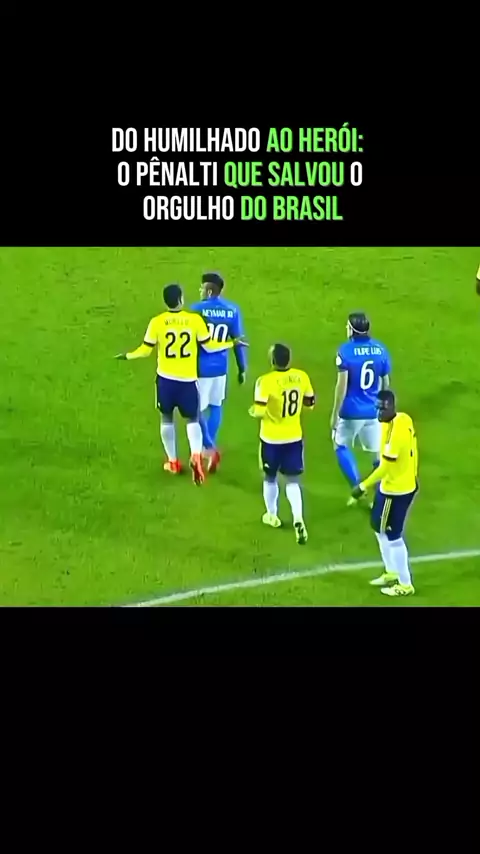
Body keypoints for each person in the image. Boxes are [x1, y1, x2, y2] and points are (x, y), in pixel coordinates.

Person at [115, 283, 247, 485]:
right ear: (181, 299)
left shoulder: (157, 322)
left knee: (166, 419)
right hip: (188, 381)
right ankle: (196, 455)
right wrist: (232, 343)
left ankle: (173, 462)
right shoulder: (194, 320)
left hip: (166, 380)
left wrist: (127, 355)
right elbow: (210, 347)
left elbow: (145, 350)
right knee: (193, 419)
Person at [349, 389, 418, 597]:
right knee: (378, 528)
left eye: (383, 409)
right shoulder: (403, 419)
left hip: (396, 490)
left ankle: (405, 584)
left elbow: (385, 468)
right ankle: (391, 571)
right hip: (399, 484)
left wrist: (362, 487)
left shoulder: (395, 435)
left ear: (392, 407)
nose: (379, 413)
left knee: (393, 536)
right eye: (377, 408)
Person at [249, 344, 315, 545]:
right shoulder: (301, 377)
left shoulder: (265, 381)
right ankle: (298, 517)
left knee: (270, 477)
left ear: (272, 360)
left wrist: (253, 411)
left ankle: (272, 515)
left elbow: (260, 411)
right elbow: (310, 403)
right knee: (293, 480)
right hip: (294, 436)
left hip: (271, 438)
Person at [190, 272, 247, 473]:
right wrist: (242, 368)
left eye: (202, 288)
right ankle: (209, 447)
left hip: (200, 369)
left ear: (209, 291)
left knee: (195, 411)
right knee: (216, 407)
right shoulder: (233, 310)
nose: (199, 291)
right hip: (221, 369)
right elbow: (238, 342)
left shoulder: (197, 310)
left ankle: (208, 448)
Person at [331, 312, 391, 500]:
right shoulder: (380, 350)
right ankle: (381, 497)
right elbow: (386, 383)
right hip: (373, 411)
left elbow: (342, 386)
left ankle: (357, 487)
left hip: (350, 412)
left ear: (352, 330)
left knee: (339, 444)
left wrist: (335, 414)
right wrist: (384, 408)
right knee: (377, 456)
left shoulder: (345, 351)